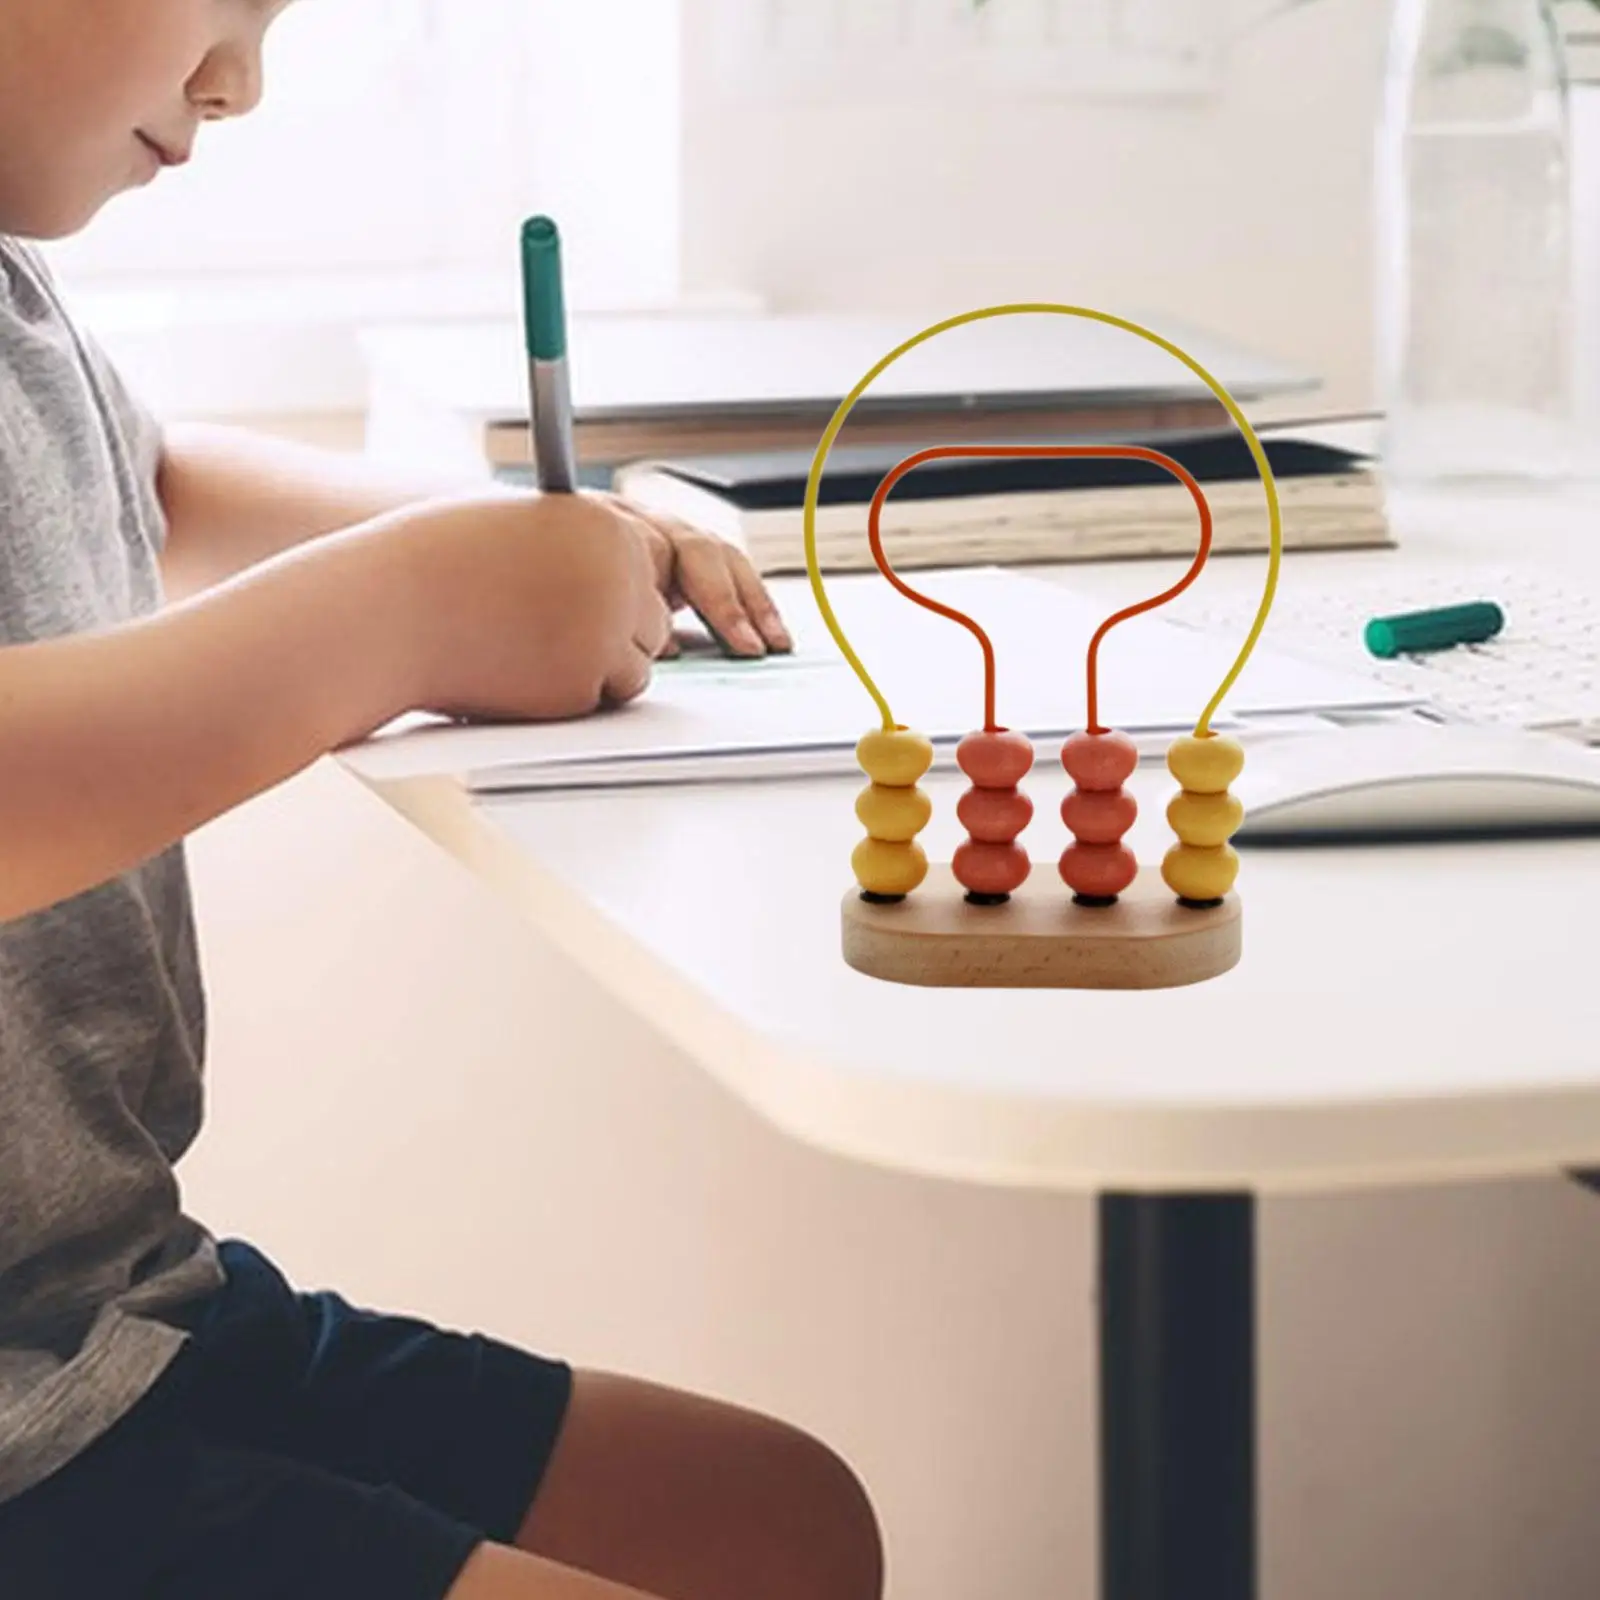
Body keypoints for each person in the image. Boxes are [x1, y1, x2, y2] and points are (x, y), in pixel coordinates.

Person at [0, 4, 885, 1599]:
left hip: (110, 1304)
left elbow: (147, 483)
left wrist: (518, 543)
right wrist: (412, 611)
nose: (239, 82)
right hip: (20, 1433)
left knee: (773, 1523)